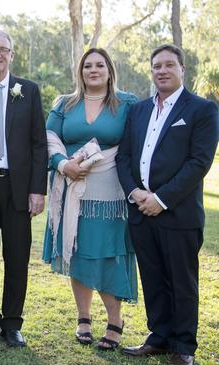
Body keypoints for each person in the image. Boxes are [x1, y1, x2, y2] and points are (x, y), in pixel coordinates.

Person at [117, 45, 219, 365]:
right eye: (156, 66)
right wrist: (135, 193)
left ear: (182, 69)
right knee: (153, 276)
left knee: (181, 281)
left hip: (178, 212)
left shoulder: (202, 109)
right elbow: (124, 156)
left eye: (168, 65)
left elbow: (198, 162)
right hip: (140, 210)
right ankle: (159, 337)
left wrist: (160, 199)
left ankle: (183, 347)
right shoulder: (139, 110)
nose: (162, 70)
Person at [42, 48, 138, 350]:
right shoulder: (64, 103)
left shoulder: (127, 104)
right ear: (80, 72)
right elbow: (48, 139)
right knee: (78, 250)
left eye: (99, 65)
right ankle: (83, 317)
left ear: (110, 70)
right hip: (71, 186)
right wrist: (63, 164)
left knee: (109, 252)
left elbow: (136, 144)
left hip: (110, 192)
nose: (93, 70)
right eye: (87, 66)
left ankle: (115, 319)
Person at [0, 29, 47, 347]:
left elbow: (39, 143)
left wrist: (37, 189)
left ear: (11, 55)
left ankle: (13, 323)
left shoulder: (28, 90)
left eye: (4, 49)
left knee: (17, 257)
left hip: (18, 187)